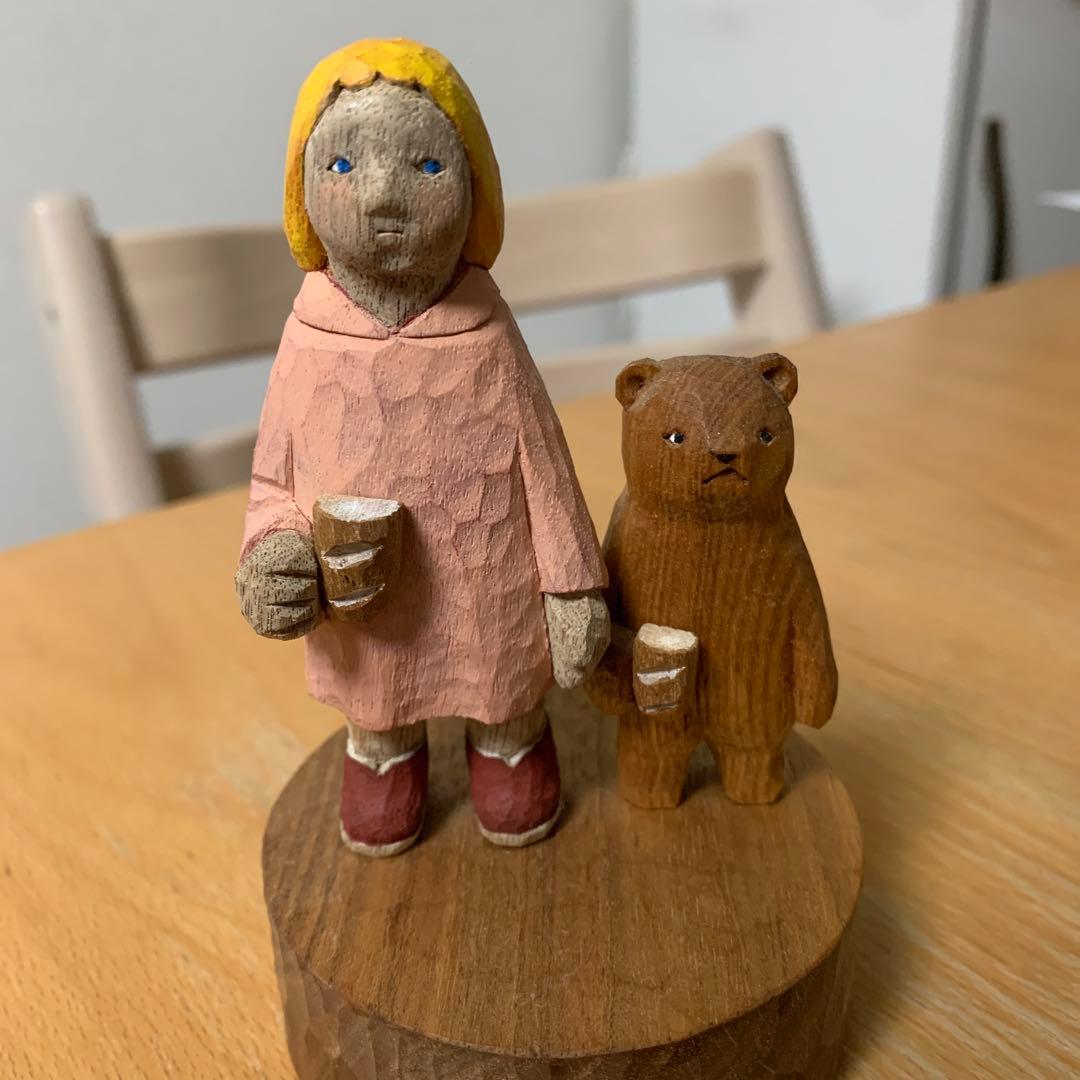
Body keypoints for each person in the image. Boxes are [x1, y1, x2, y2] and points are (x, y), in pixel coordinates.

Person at [236, 38, 609, 856]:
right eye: (343, 166)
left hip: (490, 587)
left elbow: (547, 469)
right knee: (378, 693)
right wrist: (273, 553)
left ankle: (508, 743)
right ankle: (382, 755)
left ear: (476, 191)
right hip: (366, 603)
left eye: (428, 166)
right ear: (301, 191)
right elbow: (274, 480)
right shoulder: (309, 340)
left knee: (502, 684)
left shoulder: (487, 335)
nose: (382, 198)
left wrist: (573, 586)